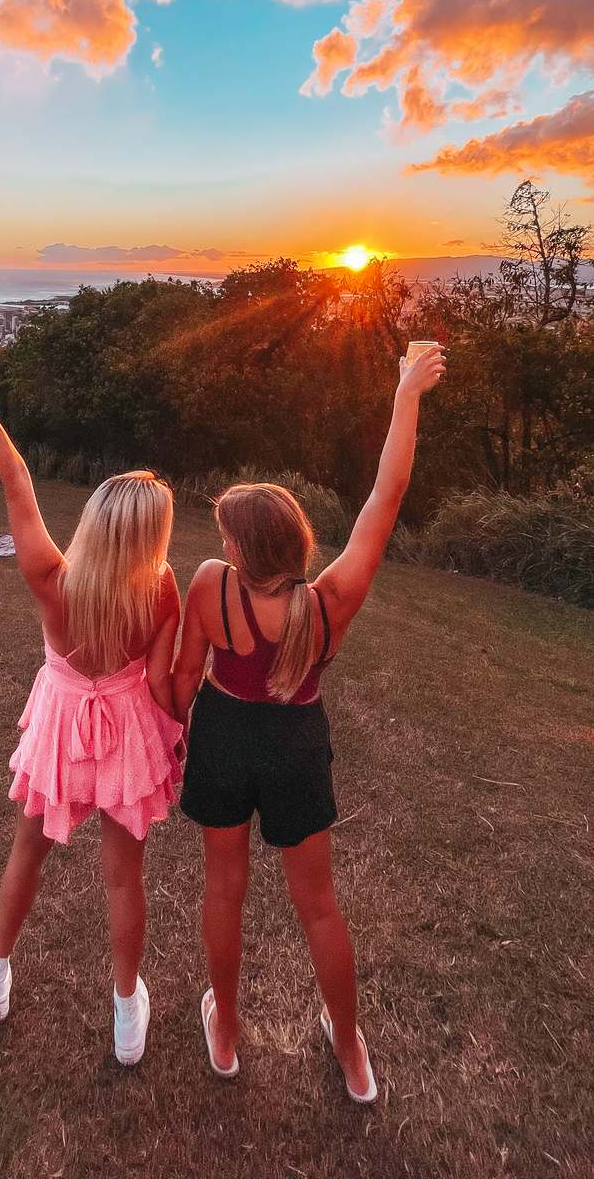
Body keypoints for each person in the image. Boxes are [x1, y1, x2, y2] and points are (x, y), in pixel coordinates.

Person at [173, 344, 446, 1099]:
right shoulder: (330, 602)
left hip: (225, 738)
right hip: (296, 744)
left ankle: (225, 1032)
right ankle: (351, 1048)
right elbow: (386, 495)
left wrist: (166, 725)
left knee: (224, 891)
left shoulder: (208, 586)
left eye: (226, 534)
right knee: (319, 907)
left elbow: (182, 679)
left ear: (237, 549)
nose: (219, 542)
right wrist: (405, 391)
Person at [0, 350, 183, 1066]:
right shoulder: (161, 591)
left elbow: (15, 475)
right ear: (153, 538)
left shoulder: (48, 574)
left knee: (27, 849)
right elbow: (160, 682)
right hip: (126, 727)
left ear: (93, 522)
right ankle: (126, 1010)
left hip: (63, 719)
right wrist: (172, 737)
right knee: (125, 876)